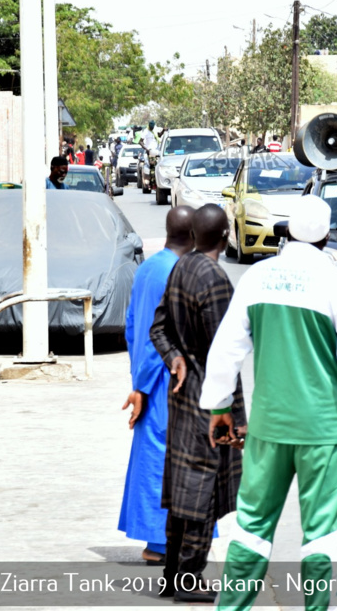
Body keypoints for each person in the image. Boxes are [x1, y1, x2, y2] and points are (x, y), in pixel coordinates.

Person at [199, 195, 337, 611]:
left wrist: (219, 407)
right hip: (323, 430)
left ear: (286, 232)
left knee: (252, 527)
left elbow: (226, 349)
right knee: (322, 533)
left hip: (269, 427)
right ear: (326, 238)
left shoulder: (257, 278)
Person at [149, 204, 246, 604]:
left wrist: (174, 358)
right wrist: (236, 417)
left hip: (183, 396)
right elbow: (225, 358)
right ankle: (189, 578)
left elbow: (158, 328)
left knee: (183, 491)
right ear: (225, 236)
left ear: (193, 236)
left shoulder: (181, 267)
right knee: (203, 492)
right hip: (210, 404)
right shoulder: (215, 280)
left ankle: (172, 575)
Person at [119, 206, 195, 567]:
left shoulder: (149, 267)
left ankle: (158, 541)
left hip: (149, 376)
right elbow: (159, 337)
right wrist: (145, 386)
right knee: (170, 459)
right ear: (193, 235)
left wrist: (137, 381)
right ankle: (162, 543)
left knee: (155, 457)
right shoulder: (178, 273)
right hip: (166, 380)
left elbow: (133, 326)